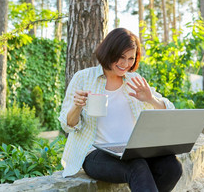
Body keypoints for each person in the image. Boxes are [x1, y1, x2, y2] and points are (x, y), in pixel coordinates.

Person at [59, 28, 182, 192]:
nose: (125, 64)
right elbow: (67, 125)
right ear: (109, 51)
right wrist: (77, 106)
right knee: (136, 167)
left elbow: (170, 109)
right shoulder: (83, 78)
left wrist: (150, 99)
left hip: (132, 150)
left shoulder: (135, 80)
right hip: (95, 153)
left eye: (131, 58)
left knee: (172, 167)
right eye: (121, 57)